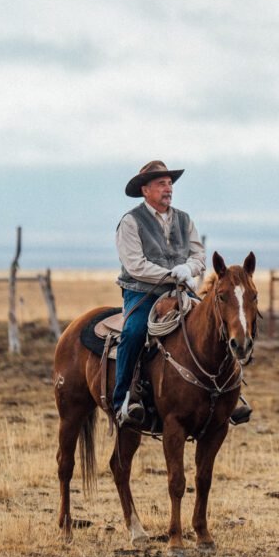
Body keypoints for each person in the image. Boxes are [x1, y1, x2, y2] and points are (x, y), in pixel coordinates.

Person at [112, 160, 207, 427]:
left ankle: (227, 395)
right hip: (143, 292)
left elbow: (199, 255)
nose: (168, 189)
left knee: (216, 324)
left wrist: (188, 268)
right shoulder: (130, 222)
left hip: (181, 291)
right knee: (133, 332)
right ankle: (123, 401)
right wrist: (169, 275)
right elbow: (135, 264)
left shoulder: (184, 219)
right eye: (161, 184)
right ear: (145, 190)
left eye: (169, 184)